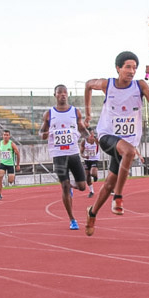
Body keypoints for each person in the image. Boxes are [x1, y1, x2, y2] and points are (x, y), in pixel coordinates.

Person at [83, 51, 149, 236]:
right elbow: (87, 85)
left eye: (134, 67)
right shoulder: (107, 84)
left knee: (109, 182)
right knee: (129, 152)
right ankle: (118, 197)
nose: (131, 71)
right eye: (127, 67)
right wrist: (88, 114)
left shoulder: (140, 85)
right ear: (118, 68)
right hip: (107, 136)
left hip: (125, 142)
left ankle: (92, 213)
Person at [40, 85, 89, 230]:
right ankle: (72, 219)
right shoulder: (49, 114)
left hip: (73, 153)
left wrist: (88, 136)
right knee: (65, 186)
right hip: (58, 155)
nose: (63, 95)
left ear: (67, 95)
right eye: (60, 93)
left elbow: (81, 128)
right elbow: (42, 132)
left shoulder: (75, 112)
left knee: (82, 186)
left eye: (65, 93)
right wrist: (44, 133)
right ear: (55, 95)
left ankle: (72, 186)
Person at [0, 130, 21, 201]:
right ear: (2, 136)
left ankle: (11, 177)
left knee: (10, 181)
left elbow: (18, 154)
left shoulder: (12, 144)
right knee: (0, 177)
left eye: (7, 135)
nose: (5, 136)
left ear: (9, 136)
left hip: (10, 164)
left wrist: (18, 165)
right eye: (4, 135)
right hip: (2, 163)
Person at [80, 131, 100, 198]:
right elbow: (81, 153)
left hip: (95, 159)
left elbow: (100, 143)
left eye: (92, 134)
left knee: (92, 173)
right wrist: (84, 156)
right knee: (87, 176)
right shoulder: (84, 142)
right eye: (90, 134)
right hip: (87, 160)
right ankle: (91, 191)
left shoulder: (96, 140)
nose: (91, 136)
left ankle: (95, 176)